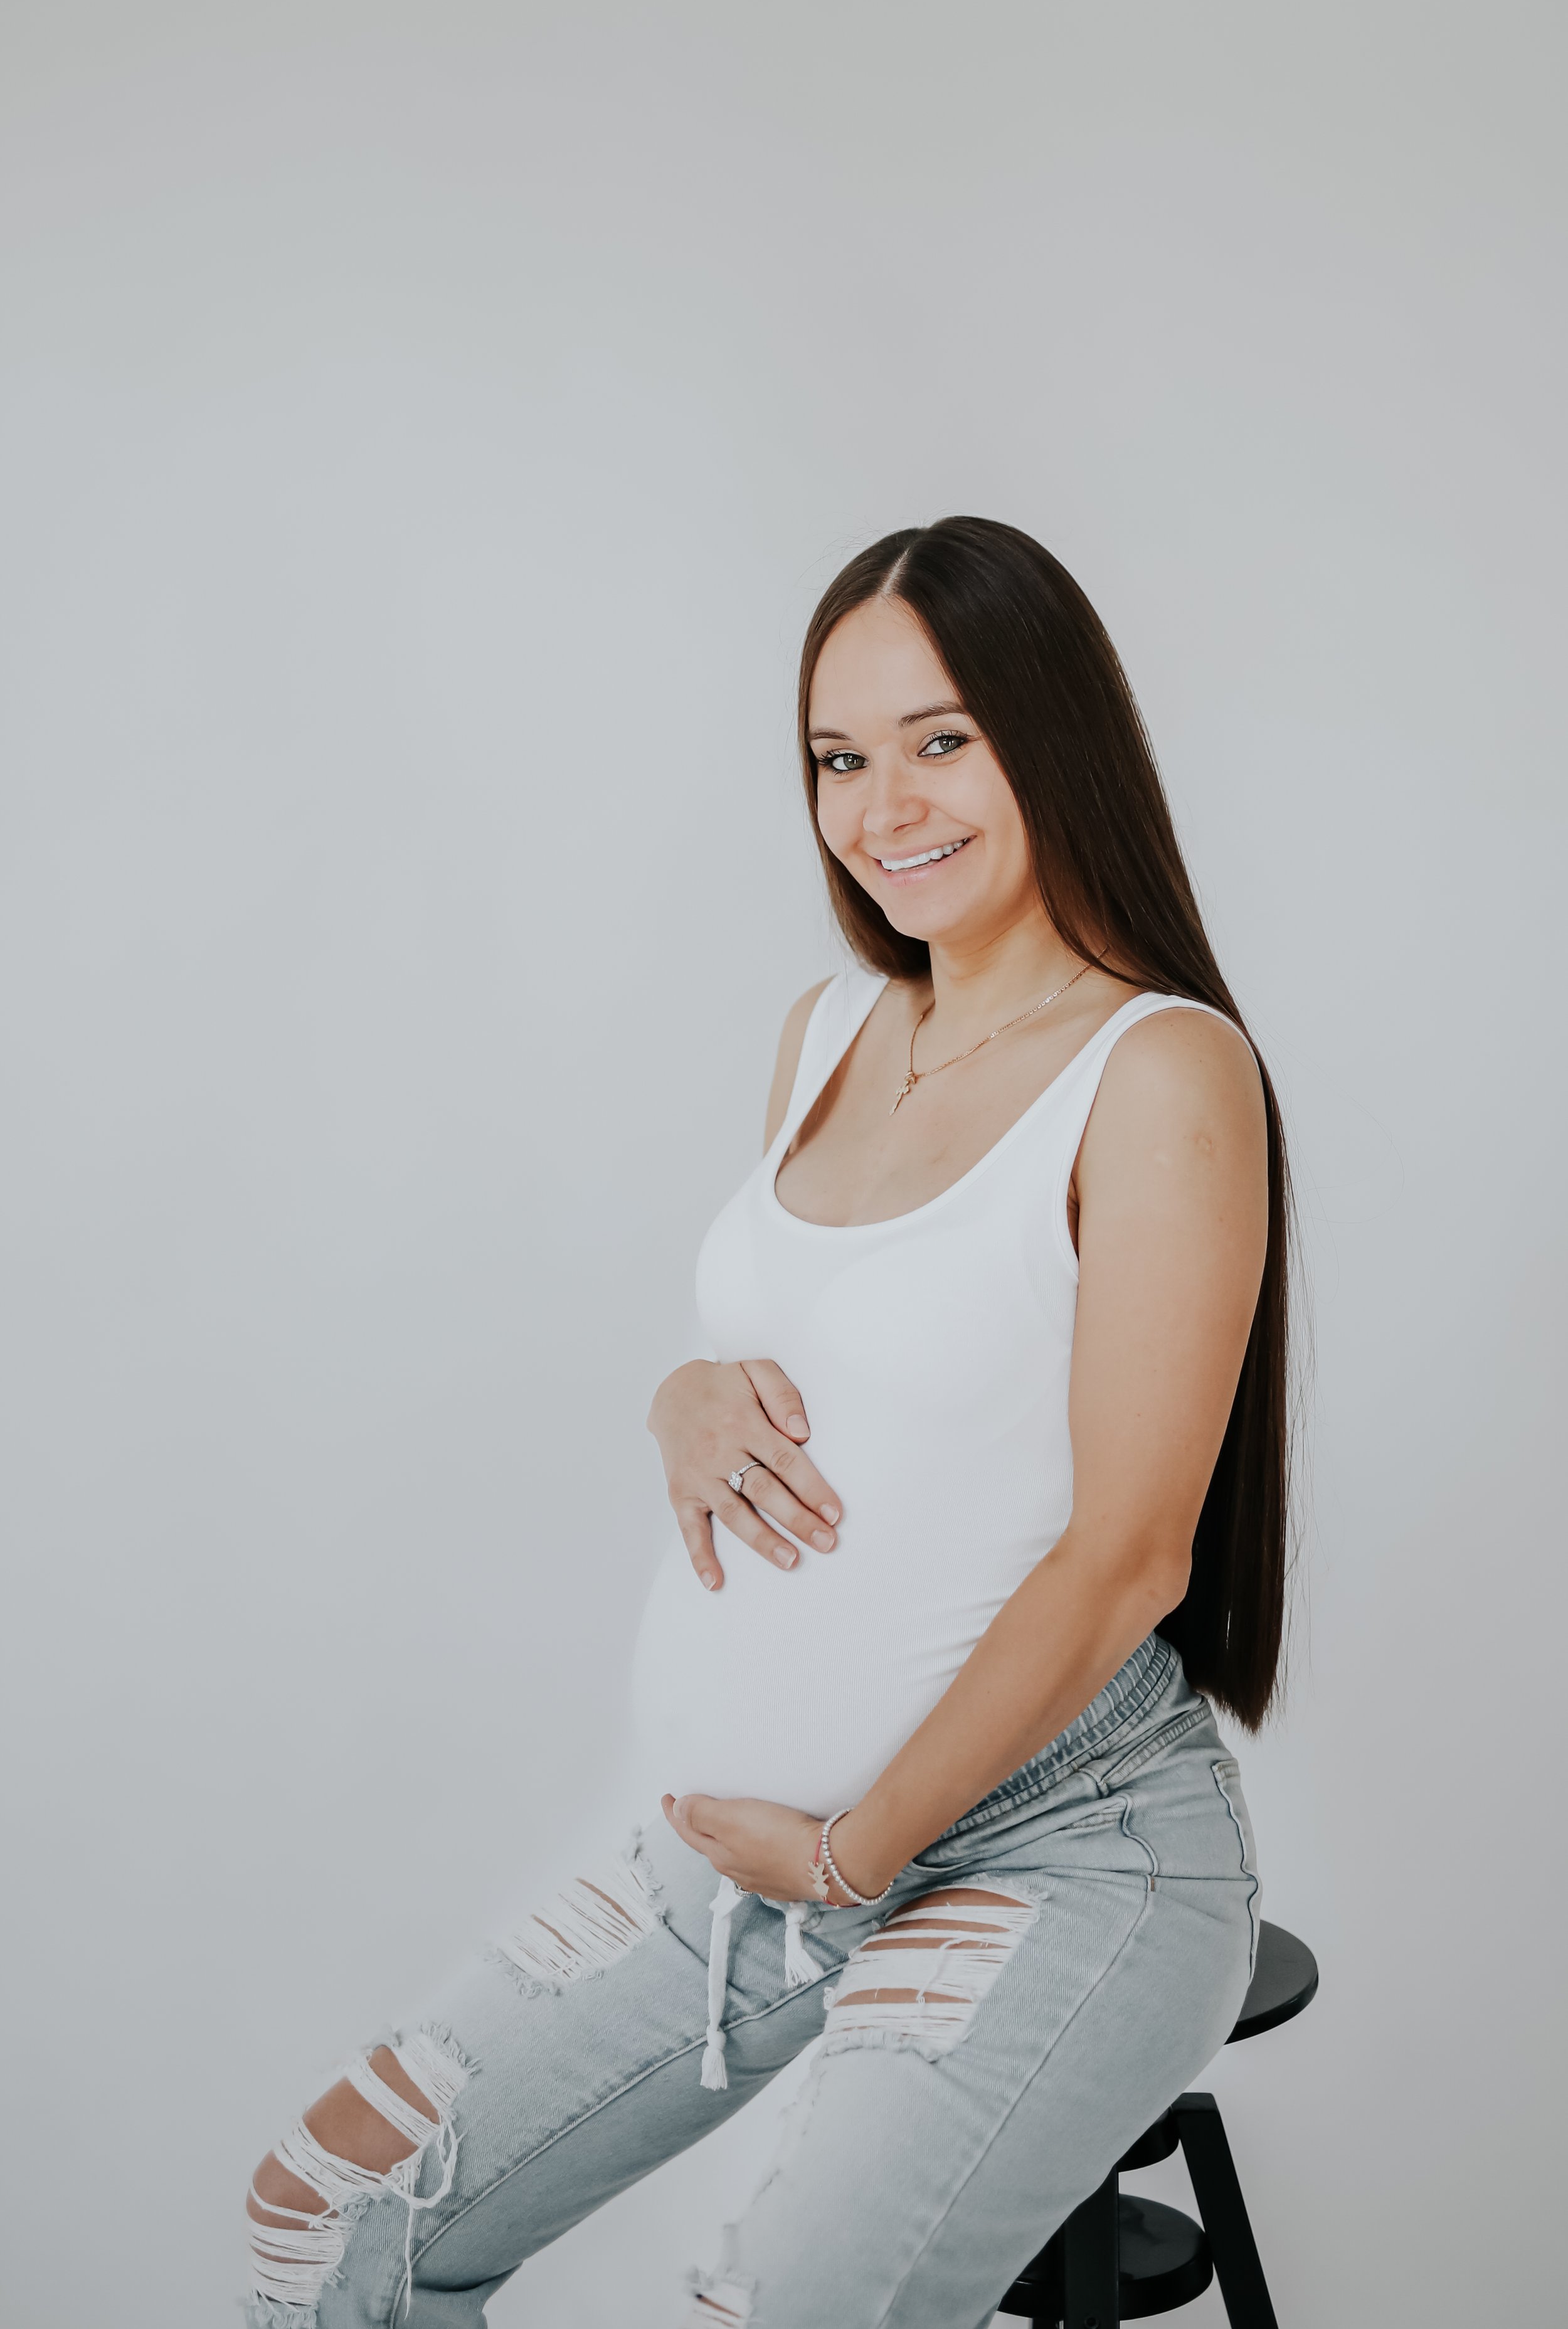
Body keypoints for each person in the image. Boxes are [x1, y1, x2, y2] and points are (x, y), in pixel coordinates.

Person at [245, 516, 1291, 2329]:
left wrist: (852, 1858)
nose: (884, 806)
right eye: (838, 756)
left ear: (1057, 738)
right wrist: (679, 1395)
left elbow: (1128, 1554)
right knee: (328, 2218)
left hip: (1055, 1844)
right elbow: (822, 1352)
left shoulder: (1159, 1067)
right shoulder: (831, 1031)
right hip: (740, 1855)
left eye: (941, 739)